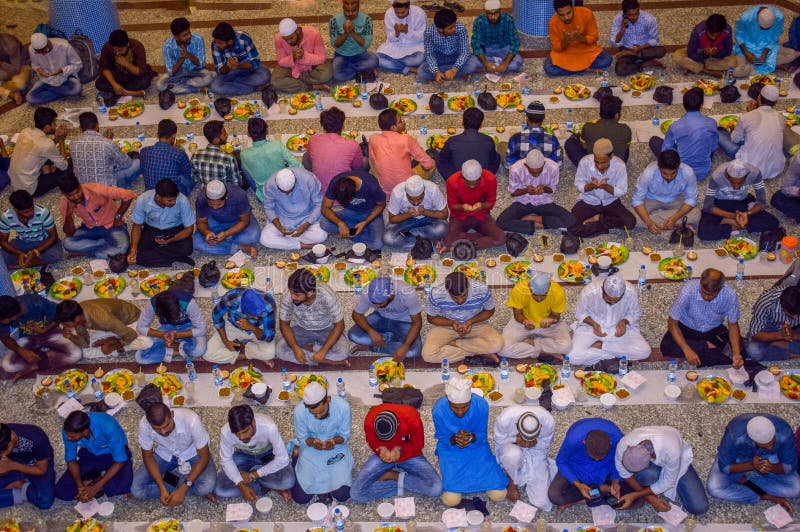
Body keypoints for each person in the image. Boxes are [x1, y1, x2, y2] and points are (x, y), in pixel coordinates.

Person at [433, 378, 508, 506]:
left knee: (499, 494)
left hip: (477, 446)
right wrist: (454, 439)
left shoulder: (481, 406)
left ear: (471, 400)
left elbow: (482, 434)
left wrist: (471, 437)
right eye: (455, 407)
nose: (460, 412)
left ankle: (483, 482)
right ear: (448, 400)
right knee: (452, 500)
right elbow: (442, 436)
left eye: (465, 407)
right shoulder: (439, 410)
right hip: (450, 449)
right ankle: (457, 486)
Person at [707, 414, 800, 512]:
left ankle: (745, 482)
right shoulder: (734, 433)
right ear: (752, 440)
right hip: (739, 457)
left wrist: (771, 467)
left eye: (772, 443)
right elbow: (725, 467)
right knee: (714, 488)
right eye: (765, 445)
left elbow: (789, 466)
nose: (770, 448)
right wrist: (752, 465)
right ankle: (765, 495)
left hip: (770, 456)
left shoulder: (784, 431)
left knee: (796, 489)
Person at [351, 403, 442, 501]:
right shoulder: (369, 421)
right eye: (384, 439)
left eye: (390, 438)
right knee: (356, 494)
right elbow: (371, 441)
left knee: (436, 489)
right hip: (383, 456)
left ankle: (395, 476)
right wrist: (380, 449)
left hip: (410, 456)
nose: (388, 442)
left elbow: (418, 444)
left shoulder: (412, 418)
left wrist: (401, 450)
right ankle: (409, 484)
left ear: (398, 425)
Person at [131, 403, 217, 505]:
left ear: (172, 415)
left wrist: (183, 489)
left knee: (206, 487)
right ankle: (182, 480)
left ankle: (175, 480)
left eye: (166, 425)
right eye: (157, 429)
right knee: (137, 489)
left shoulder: (191, 420)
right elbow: (148, 456)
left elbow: (204, 456)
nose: (163, 432)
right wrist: (161, 488)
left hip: (193, 453)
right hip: (165, 453)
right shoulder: (144, 424)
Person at [614, 426, 709, 516]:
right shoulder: (624, 445)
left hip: (677, 461)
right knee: (647, 476)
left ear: (648, 465)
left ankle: (677, 471)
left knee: (699, 507)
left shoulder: (672, 451)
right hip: (662, 460)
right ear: (628, 449)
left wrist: (635, 495)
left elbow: (668, 482)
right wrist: (652, 499)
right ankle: (651, 481)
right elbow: (625, 474)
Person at [660, 268, 744, 368]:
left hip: (712, 330)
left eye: (711, 295)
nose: (706, 297)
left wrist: (736, 354)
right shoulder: (688, 291)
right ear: (700, 283)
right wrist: (687, 349)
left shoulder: (729, 295)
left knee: (738, 354)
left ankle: (688, 354)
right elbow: (672, 323)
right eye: (703, 292)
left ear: (720, 288)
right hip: (687, 329)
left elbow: (733, 324)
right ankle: (702, 347)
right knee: (666, 346)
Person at [567, 275, 650, 371]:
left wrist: (624, 322)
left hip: (620, 329)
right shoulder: (589, 292)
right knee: (571, 357)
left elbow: (636, 313)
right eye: (609, 300)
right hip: (591, 328)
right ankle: (620, 356)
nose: (613, 303)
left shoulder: (630, 292)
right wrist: (593, 324)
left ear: (623, 294)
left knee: (645, 351)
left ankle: (601, 346)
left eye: (617, 301)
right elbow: (579, 313)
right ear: (602, 289)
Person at [215, 405, 294, 502]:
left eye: (245, 431)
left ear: (253, 422)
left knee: (288, 481)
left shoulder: (269, 427)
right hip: (244, 455)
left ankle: (257, 481)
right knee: (220, 489)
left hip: (268, 455)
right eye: (237, 433)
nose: (241, 437)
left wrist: (252, 475)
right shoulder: (226, 432)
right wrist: (240, 484)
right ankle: (270, 486)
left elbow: (282, 459)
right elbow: (226, 460)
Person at [548, 418, 626, 514]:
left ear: (610, 444)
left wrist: (615, 480)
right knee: (554, 496)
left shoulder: (618, 440)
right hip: (576, 464)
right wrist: (578, 484)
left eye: (600, 458)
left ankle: (578, 500)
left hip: (606, 465)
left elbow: (618, 461)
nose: (596, 461)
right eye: (593, 457)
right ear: (584, 443)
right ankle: (602, 490)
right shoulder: (574, 439)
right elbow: (561, 461)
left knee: (629, 498)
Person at [292, 381, 354, 504]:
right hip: (310, 450)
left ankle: (323, 488)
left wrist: (334, 441)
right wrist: (313, 442)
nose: (319, 416)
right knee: (301, 498)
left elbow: (345, 435)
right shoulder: (299, 411)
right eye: (314, 414)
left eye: (322, 411)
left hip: (337, 448)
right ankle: (295, 460)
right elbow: (302, 437)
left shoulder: (343, 407)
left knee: (344, 495)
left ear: (328, 400)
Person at [422, 271, 503, 364]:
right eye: (455, 298)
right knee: (428, 355)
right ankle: (480, 351)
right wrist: (452, 323)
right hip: (447, 325)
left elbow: (490, 311)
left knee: (498, 345)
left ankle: (454, 344)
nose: (460, 301)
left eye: (463, 296)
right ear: (447, 290)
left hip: (476, 323)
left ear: (468, 285)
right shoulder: (437, 294)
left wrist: (470, 321)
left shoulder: (482, 289)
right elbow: (431, 318)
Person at [276, 269, 350, 365]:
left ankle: (312, 353)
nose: (292, 297)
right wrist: (295, 348)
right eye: (291, 292)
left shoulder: (327, 295)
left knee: (343, 352)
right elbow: (284, 325)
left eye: (297, 295)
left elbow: (339, 325)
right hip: (301, 328)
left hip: (326, 329)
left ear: (310, 293)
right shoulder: (288, 296)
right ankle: (325, 360)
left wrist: (323, 350)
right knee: (280, 350)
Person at [55, 411, 133, 501]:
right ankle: (97, 481)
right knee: (62, 491)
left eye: (72, 437)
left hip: (114, 453)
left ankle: (96, 482)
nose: (68, 438)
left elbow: (120, 460)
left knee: (125, 485)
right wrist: (80, 487)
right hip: (91, 454)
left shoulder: (108, 426)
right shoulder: (68, 431)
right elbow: (71, 460)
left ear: (85, 431)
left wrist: (96, 487)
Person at [568, 138, 636, 238]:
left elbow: (622, 190)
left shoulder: (619, 165)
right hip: (588, 201)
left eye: (603, 162)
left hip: (610, 202)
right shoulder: (584, 162)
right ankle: (603, 222)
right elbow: (579, 185)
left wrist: (606, 187)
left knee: (630, 223)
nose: (599, 166)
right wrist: (590, 186)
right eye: (596, 162)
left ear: (611, 156)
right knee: (570, 227)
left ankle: (597, 219)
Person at [0, 294, 81, 378]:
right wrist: (20, 350)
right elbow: (5, 337)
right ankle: (47, 355)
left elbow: (59, 315)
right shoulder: (3, 311)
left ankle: (36, 365)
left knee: (76, 354)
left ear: (12, 317)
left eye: (2, 320)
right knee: (7, 365)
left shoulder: (35, 302)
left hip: (50, 333)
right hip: (27, 338)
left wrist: (45, 329)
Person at [697, 159, 780, 241]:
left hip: (742, 201)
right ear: (727, 175)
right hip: (721, 203)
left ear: (747, 175)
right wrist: (733, 216)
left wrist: (747, 214)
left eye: (741, 182)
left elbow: (762, 202)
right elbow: (708, 206)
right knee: (704, 233)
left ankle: (732, 224)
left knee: (773, 223)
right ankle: (738, 223)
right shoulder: (717, 176)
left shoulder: (755, 173)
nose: (736, 187)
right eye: (732, 182)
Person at [497, 149, 575, 234]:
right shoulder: (515, 169)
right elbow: (513, 193)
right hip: (523, 202)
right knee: (500, 222)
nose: (536, 175)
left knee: (570, 219)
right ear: (526, 166)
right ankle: (536, 225)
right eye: (532, 172)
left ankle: (533, 219)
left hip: (543, 201)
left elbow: (552, 190)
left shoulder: (553, 168)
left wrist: (544, 189)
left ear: (544, 164)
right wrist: (525, 190)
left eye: (539, 172)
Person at [649, 87, 719, 180]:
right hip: (703, 171)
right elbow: (713, 147)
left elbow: (665, 151)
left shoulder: (675, 126)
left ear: (683, 105)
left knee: (654, 141)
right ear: (701, 104)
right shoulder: (712, 122)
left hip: (681, 171)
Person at [493, 406, 555, 510]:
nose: (526, 443)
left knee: (541, 502)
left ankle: (540, 470)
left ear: (540, 427)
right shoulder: (505, 420)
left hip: (536, 450)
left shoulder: (548, 422)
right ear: (517, 426)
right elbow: (499, 443)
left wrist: (535, 443)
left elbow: (545, 444)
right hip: (512, 446)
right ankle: (512, 481)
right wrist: (515, 440)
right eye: (524, 437)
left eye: (531, 438)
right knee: (511, 456)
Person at [718, 84, 785, 180]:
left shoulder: (747, 116)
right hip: (775, 168)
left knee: (719, 133)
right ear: (775, 102)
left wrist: (748, 113)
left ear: (758, 98)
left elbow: (735, 139)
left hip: (749, 168)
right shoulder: (781, 118)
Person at [500, 271, 571, 360]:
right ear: (529, 287)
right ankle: (546, 351)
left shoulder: (558, 291)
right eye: (535, 295)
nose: (539, 299)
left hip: (550, 325)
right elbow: (517, 314)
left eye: (543, 295)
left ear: (549, 287)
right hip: (523, 322)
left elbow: (556, 316)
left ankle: (531, 343)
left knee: (566, 347)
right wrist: (524, 321)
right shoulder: (519, 289)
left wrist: (551, 320)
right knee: (502, 349)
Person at [348, 277, 423, 360]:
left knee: (414, 352)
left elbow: (417, 323)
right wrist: (370, 331)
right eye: (374, 303)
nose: (377, 306)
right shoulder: (368, 292)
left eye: (380, 303)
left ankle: (373, 347)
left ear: (391, 296)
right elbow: (356, 314)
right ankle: (389, 338)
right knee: (353, 335)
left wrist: (406, 346)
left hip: (404, 321)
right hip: (381, 317)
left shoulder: (407, 293)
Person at [127, 179, 195, 268]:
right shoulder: (143, 200)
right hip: (151, 228)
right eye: (170, 200)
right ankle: (174, 257)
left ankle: (154, 256)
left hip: (175, 229)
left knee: (187, 248)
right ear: (158, 197)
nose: (174, 202)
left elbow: (189, 229)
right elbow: (137, 226)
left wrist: (171, 239)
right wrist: (133, 249)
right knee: (134, 252)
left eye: (175, 199)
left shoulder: (182, 201)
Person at [55, 298, 151, 359]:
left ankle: (114, 344)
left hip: (132, 322)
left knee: (147, 343)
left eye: (67, 324)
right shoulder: (79, 313)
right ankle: (111, 340)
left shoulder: (103, 320)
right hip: (114, 324)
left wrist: (115, 345)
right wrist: (70, 336)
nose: (66, 326)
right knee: (85, 352)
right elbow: (85, 343)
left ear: (77, 318)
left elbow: (131, 334)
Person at [443, 159, 505, 252]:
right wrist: (462, 207)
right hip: (460, 216)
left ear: (481, 176)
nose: (472, 187)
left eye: (476, 183)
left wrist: (482, 206)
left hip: (481, 214)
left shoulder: (490, 178)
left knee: (501, 238)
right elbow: (452, 205)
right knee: (447, 241)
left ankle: (462, 243)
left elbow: (491, 202)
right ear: (462, 177)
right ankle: (480, 238)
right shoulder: (452, 181)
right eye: (468, 183)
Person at [631, 150, 700, 234]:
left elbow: (691, 199)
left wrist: (675, 217)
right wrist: (648, 222)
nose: (669, 177)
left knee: (696, 214)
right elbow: (637, 200)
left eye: (673, 173)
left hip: (676, 198)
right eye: (665, 174)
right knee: (630, 218)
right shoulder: (648, 173)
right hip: (651, 198)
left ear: (678, 167)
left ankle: (662, 222)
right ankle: (676, 223)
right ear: (658, 167)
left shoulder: (688, 172)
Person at [369, 108, 435, 195]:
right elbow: (428, 164)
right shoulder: (406, 139)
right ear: (393, 127)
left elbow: (373, 160)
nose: (404, 122)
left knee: (372, 161)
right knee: (432, 163)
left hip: (386, 191)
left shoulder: (373, 138)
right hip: (407, 189)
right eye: (400, 121)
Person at [8, 106, 70, 197]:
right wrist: (61, 140)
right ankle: (47, 170)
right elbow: (64, 166)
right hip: (29, 190)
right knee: (68, 169)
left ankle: (46, 169)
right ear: (47, 127)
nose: (56, 126)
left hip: (15, 182)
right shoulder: (47, 144)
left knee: (50, 156)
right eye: (54, 123)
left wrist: (56, 139)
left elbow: (41, 149)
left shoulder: (25, 131)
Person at [205, 288, 276, 365]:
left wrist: (252, 327)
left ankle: (248, 352)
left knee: (269, 353)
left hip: (258, 327)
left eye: (260, 314)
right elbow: (216, 316)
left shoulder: (268, 303)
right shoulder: (231, 298)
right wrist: (225, 341)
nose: (257, 318)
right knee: (208, 354)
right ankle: (247, 355)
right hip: (233, 325)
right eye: (253, 316)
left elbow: (269, 337)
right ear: (242, 309)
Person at [260, 168, 327, 251]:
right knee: (264, 239)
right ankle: (301, 245)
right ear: (277, 185)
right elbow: (268, 208)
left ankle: (285, 241)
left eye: (290, 191)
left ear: (295, 181)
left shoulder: (308, 179)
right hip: (283, 219)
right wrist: (279, 226)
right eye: (283, 191)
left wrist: (306, 225)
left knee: (321, 235)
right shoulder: (270, 184)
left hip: (307, 217)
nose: (287, 194)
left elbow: (319, 204)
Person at [135, 288, 207, 364]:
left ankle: (175, 346)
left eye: (177, 316)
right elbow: (140, 327)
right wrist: (162, 334)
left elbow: (202, 329)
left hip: (188, 326)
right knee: (140, 357)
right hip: (167, 328)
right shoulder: (153, 304)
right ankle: (177, 351)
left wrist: (177, 335)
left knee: (199, 350)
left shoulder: (187, 301)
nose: (176, 321)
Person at [69, 112, 140, 188]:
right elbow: (126, 164)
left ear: (80, 128)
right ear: (97, 125)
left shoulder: (73, 143)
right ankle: (122, 187)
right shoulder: (107, 143)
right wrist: (109, 141)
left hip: (83, 188)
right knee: (137, 163)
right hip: (105, 188)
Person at [321, 169, 386, 251]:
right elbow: (325, 208)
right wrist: (340, 223)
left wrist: (365, 222)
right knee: (324, 223)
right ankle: (358, 230)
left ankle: (355, 229)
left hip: (371, 212)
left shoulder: (371, 186)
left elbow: (381, 205)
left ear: (355, 190)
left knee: (377, 244)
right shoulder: (336, 182)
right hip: (351, 212)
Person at [193, 180, 260, 258]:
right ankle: (240, 247)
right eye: (211, 204)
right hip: (215, 221)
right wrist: (207, 233)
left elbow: (244, 221)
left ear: (226, 197)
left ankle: (225, 242)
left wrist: (226, 234)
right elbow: (201, 222)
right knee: (196, 243)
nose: (215, 207)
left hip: (238, 220)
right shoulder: (201, 199)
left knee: (254, 236)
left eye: (219, 204)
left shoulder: (239, 195)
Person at [240, 117, 300, 202]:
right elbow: (296, 164)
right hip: (284, 187)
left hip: (266, 195)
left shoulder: (244, 154)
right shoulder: (277, 145)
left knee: (245, 172)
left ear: (248, 134)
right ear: (267, 132)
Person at [545, 0, 612, 76]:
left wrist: (580, 38)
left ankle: (575, 70)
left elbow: (594, 37)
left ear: (573, 8)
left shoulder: (586, 13)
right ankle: (586, 70)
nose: (566, 17)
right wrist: (565, 41)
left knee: (607, 60)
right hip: (565, 54)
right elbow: (556, 47)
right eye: (562, 15)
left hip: (585, 51)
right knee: (549, 69)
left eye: (568, 13)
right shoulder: (553, 22)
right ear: (557, 13)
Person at [305, 107, 364, 192]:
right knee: (364, 161)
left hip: (319, 191)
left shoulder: (313, 139)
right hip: (343, 193)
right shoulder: (353, 144)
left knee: (305, 156)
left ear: (323, 126)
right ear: (342, 126)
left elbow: (310, 159)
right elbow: (358, 167)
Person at [383, 174, 449, 250]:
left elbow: (445, 214)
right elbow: (392, 218)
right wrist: (408, 214)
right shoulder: (397, 192)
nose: (416, 203)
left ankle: (411, 234)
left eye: (420, 198)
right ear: (406, 193)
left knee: (442, 229)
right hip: (405, 218)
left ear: (424, 191)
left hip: (429, 217)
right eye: (411, 199)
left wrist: (424, 212)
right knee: (388, 238)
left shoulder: (433, 189)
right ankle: (428, 241)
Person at [0, 190, 62, 268]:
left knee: (55, 255)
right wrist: (18, 253)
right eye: (26, 212)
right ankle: (31, 261)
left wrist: (36, 251)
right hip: (22, 242)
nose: (31, 213)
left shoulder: (43, 213)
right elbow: (2, 241)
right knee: (2, 258)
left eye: (32, 209)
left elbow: (53, 237)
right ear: (16, 209)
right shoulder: (6, 217)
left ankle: (22, 264)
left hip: (43, 241)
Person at [0, 422, 54, 510]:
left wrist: (13, 466)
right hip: (12, 465)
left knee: (45, 501)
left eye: (4, 452)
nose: (3, 456)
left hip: (35, 466)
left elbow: (41, 470)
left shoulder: (36, 439)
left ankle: (21, 486)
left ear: (12, 438)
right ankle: (21, 490)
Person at [565, 95, 631, 166]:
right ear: (616, 115)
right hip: (616, 167)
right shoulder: (626, 129)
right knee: (625, 148)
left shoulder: (588, 127)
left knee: (570, 142)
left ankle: (587, 169)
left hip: (593, 166)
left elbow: (584, 146)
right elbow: (626, 147)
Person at [734, 5, 799, 77]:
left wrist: (764, 53)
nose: (763, 30)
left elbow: (774, 36)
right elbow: (739, 34)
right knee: (737, 72)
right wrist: (746, 53)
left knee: (793, 54)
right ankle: (757, 67)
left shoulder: (779, 17)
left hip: (768, 45)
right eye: (761, 28)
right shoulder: (745, 17)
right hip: (746, 47)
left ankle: (757, 66)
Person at [437, 107, 500, 181]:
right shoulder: (488, 140)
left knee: (438, 157)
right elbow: (492, 160)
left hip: (457, 178)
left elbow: (443, 159)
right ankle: (484, 179)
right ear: (480, 125)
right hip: (480, 177)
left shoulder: (452, 141)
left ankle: (452, 180)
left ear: (462, 122)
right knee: (497, 157)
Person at [209, 22, 271, 96]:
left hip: (247, 68)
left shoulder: (244, 39)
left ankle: (235, 84)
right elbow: (219, 70)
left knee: (265, 75)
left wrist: (238, 65)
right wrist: (229, 66)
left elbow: (255, 62)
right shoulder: (215, 45)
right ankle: (253, 88)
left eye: (220, 43)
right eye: (216, 41)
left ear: (230, 41)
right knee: (215, 86)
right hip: (230, 72)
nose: (217, 44)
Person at [272, 18, 333, 93]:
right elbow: (281, 61)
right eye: (285, 40)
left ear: (297, 31)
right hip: (291, 66)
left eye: (291, 38)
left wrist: (304, 55)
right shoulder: (279, 38)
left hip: (311, 64)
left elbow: (321, 58)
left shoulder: (314, 33)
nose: (289, 42)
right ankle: (312, 86)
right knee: (275, 81)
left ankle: (294, 79)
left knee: (326, 74)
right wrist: (293, 57)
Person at [156, 17, 213, 95]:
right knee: (160, 85)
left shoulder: (198, 39)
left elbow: (201, 64)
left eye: (189, 32)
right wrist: (182, 58)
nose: (189, 36)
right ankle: (195, 89)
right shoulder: (167, 47)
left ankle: (182, 86)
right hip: (178, 74)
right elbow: (171, 72)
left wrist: (188, 54)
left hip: (195, 71)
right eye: (184, 35)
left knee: (209, 77)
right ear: (176, 37)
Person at [140, 119, 195, 197]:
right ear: (173, 136)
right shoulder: (179, 154)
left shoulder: (144, 151)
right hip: (172, 194)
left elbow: (143, 170)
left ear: (157, 135)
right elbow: (187, 174)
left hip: (150, 192)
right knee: (190, 178)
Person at [609, 0, 666, 75]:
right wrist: (622, 29)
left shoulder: (648, 19)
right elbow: (614, 42)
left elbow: (655, 39)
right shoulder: (618, 19)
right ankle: (645, 63)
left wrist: (641, 47)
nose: (634, 17)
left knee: (661, 51)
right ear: (624, 13)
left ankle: (634, 56)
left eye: (637, 13)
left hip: (644, 50)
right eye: (630, 15)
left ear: (639, 9)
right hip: (626, 48)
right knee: (620, 70)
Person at [419, 8, 476, 83]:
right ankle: (453, 74)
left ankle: (448, 73)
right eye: (450, 28)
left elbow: (465, 51)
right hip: (439, 56)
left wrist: (454, 69)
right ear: (440, 30)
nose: (454, 29)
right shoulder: (429, 32)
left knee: (472, 65)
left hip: (456, 55)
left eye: (454, 25)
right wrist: (436, 72)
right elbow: (429, 54)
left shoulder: (460, 28)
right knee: (422, 71)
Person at [672, 14, 738, 78]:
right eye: (711, 35)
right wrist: (703, 52)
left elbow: (728, 50)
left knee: (733, 62)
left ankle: (696, 67)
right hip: (699, 52)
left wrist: (717, 52)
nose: (713, 38)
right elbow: (691, 53)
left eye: (717, 35)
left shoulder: (727, 30)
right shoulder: (698, 31)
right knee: (677, 55)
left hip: (716, 57)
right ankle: (708, 71)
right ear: (707, 29)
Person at [746, 285, 800, 361]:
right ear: (783, 307)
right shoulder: (766, 302)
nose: (795, 318)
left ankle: (781, 348)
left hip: (795, 329)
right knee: (754, 351)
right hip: (769, 327)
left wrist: (794, 335)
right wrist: (780, 335)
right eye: (792, 314)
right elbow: (755, 333)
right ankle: (789, 353)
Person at [25, 32, 82, 105]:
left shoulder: (64, 46)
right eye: (39, 52)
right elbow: (34, 64)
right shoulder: (31, 49)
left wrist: (62, 70)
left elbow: (78, 65)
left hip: (66, 77)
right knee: (30, 98)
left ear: (48, 42)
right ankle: (64, 92)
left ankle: (51, 91)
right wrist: (39, 69)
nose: (43, 54)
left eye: (44, 50)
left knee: (77, 88)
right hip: (47, 80)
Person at [330, 0, 379, 81]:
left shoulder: (366, 19)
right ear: (343, 7)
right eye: (347, 11)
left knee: (374, 60)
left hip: (360, 54)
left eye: (353, 11)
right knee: (337, 76)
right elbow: (335, 45)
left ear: (358, 7)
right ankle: (363, 71)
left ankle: (350, 70)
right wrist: (345, 33)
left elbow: (366, 45)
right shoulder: (334, 20)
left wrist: (353, 32)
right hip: (341, 55)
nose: (350, 14)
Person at [504, 101, 563, 169]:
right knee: (559, 149)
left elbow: (508, 165)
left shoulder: (515, 138)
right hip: (544, 172)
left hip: (521, 172)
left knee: (503, 146)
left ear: (526, 117)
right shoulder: (553, 139)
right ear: (543, 118)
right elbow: (558, 165)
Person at [96, 29, 154, 97]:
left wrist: (126, 64)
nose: (117, 52)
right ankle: (128, 92)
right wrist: (114, 83)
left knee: (145, 81)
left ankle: (119, 91)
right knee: (99, 83)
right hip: (116, 76)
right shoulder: (108, 46)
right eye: (114, 49)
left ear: (127, 44)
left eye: (120, 50)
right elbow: (104, 67)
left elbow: (140, 71)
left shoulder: (137, 47)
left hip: (132, 76)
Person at [470, 0, 523, 74]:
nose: (493, 17)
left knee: (518, 62)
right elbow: (475, 45)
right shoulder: (479, 21)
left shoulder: (508, 20)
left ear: (500, 11)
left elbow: (515, 44)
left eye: (496, 13)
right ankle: (495, 66)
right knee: (471, 63)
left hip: (504, 48)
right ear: (485, 12)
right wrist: (485, 63)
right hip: (487, 49)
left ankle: (491, 67)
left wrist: (505, 63)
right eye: (489, 14)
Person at [376, 0, 426, 75]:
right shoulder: (389, 14)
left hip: (414, 46)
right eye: (397, 12)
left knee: (419, 59)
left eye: (403, 12)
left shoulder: (419, 14)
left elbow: (422, 37)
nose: (400, 15)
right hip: (395, 46)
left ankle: (393, 64)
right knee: (376, 58)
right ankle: (409, 69)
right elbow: (390, 38)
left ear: (408, 7)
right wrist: (396, 33)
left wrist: (408, 32)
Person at [191, 121, 241, 187]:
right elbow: (236, 183)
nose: (227, 135)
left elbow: (195, 178)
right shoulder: (229, 158)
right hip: (224, 192)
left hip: (206, 191)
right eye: (224, 134)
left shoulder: (195, 155)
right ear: (216, 140)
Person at [0, 33, 31, 104]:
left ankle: (4, 88)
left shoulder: (11, 44)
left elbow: (15, 70)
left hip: (21, 67)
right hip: (3, 69)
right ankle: (11, 94)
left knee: (20, 85)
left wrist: (1, 63)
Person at [771, 154, 800, 221]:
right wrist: (798, 191)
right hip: (797, 193)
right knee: (777, 199)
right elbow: (785, 188)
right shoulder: (798, 161)